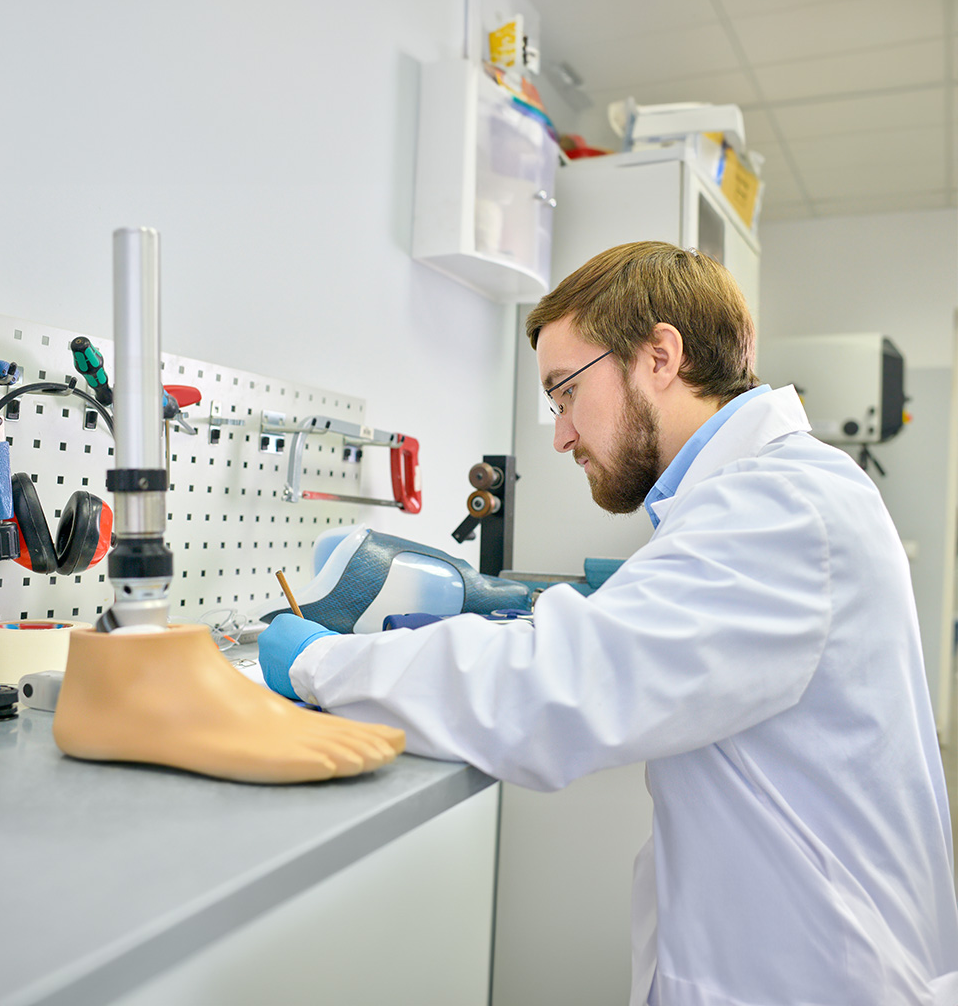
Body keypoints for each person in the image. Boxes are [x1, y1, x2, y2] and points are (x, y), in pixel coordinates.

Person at [260, 240, 958, 1004]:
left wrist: (317, 665)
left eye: (564, 392)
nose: (560, 434)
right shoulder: (776, 495)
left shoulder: (780, 509)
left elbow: (552, 690)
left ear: (660, 355)